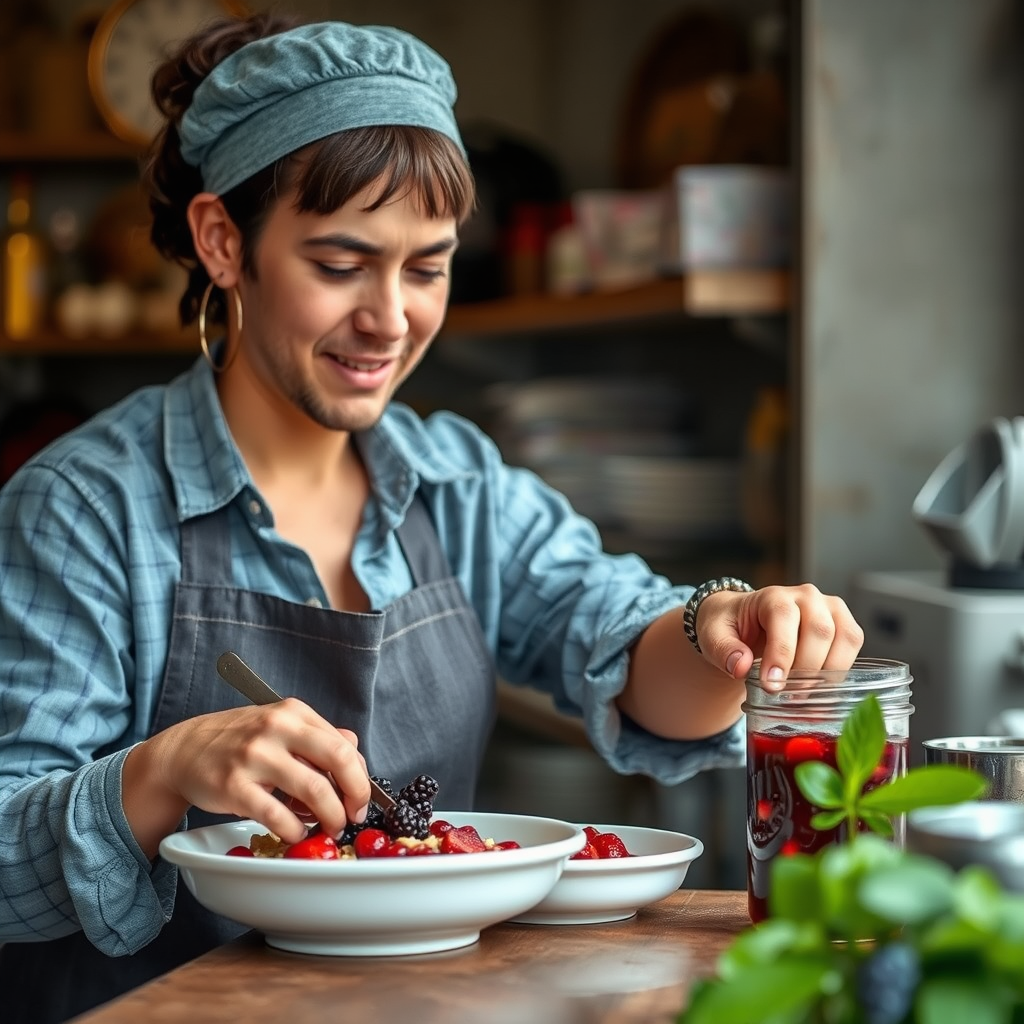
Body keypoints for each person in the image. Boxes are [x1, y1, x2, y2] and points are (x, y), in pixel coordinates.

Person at [0, 11, 864, 1023]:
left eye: (427, 267)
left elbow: (627, 651)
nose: (390, 318)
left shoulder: (457, 481)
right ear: (223, 242)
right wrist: (160, 772)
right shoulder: (82, 508)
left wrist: (724, 627)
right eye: (340, 264)